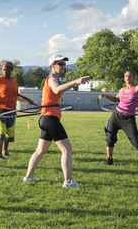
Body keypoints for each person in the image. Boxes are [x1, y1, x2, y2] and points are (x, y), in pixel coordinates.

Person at [23, 54, 90, 187]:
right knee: (67, 150)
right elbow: (57, 90)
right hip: (50, 119)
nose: (63, 66)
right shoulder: (51, 79)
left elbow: (59, 90)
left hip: (46, 119)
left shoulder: (56, 79)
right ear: (52, 66)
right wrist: (75, 81)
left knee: (40, 151)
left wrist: (75, 84)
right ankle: (68, 181)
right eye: (60, 63)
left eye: (64, 64)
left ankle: (29, 177)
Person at [99, 70, 138, 166]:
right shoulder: (122, 90)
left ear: (134, 78)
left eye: (130, 76)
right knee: (110, 137)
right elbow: (116, 99)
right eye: (126, 76)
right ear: (124, 78)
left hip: (128, 118)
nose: (128, 78)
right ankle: (109, 159)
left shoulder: (137, 88)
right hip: (116, 116)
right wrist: (105, 95)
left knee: (136, 141)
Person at [0, 61, 35, 160]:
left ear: (11, 70)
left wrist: (27, 99)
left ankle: (5, 151)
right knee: (0, 131)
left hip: (12, 109)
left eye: (7, 69)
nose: (4, 71)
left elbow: (16, 95)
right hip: (0, 109)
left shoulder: (14, 80)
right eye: (3, 69)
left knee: (9, 130)